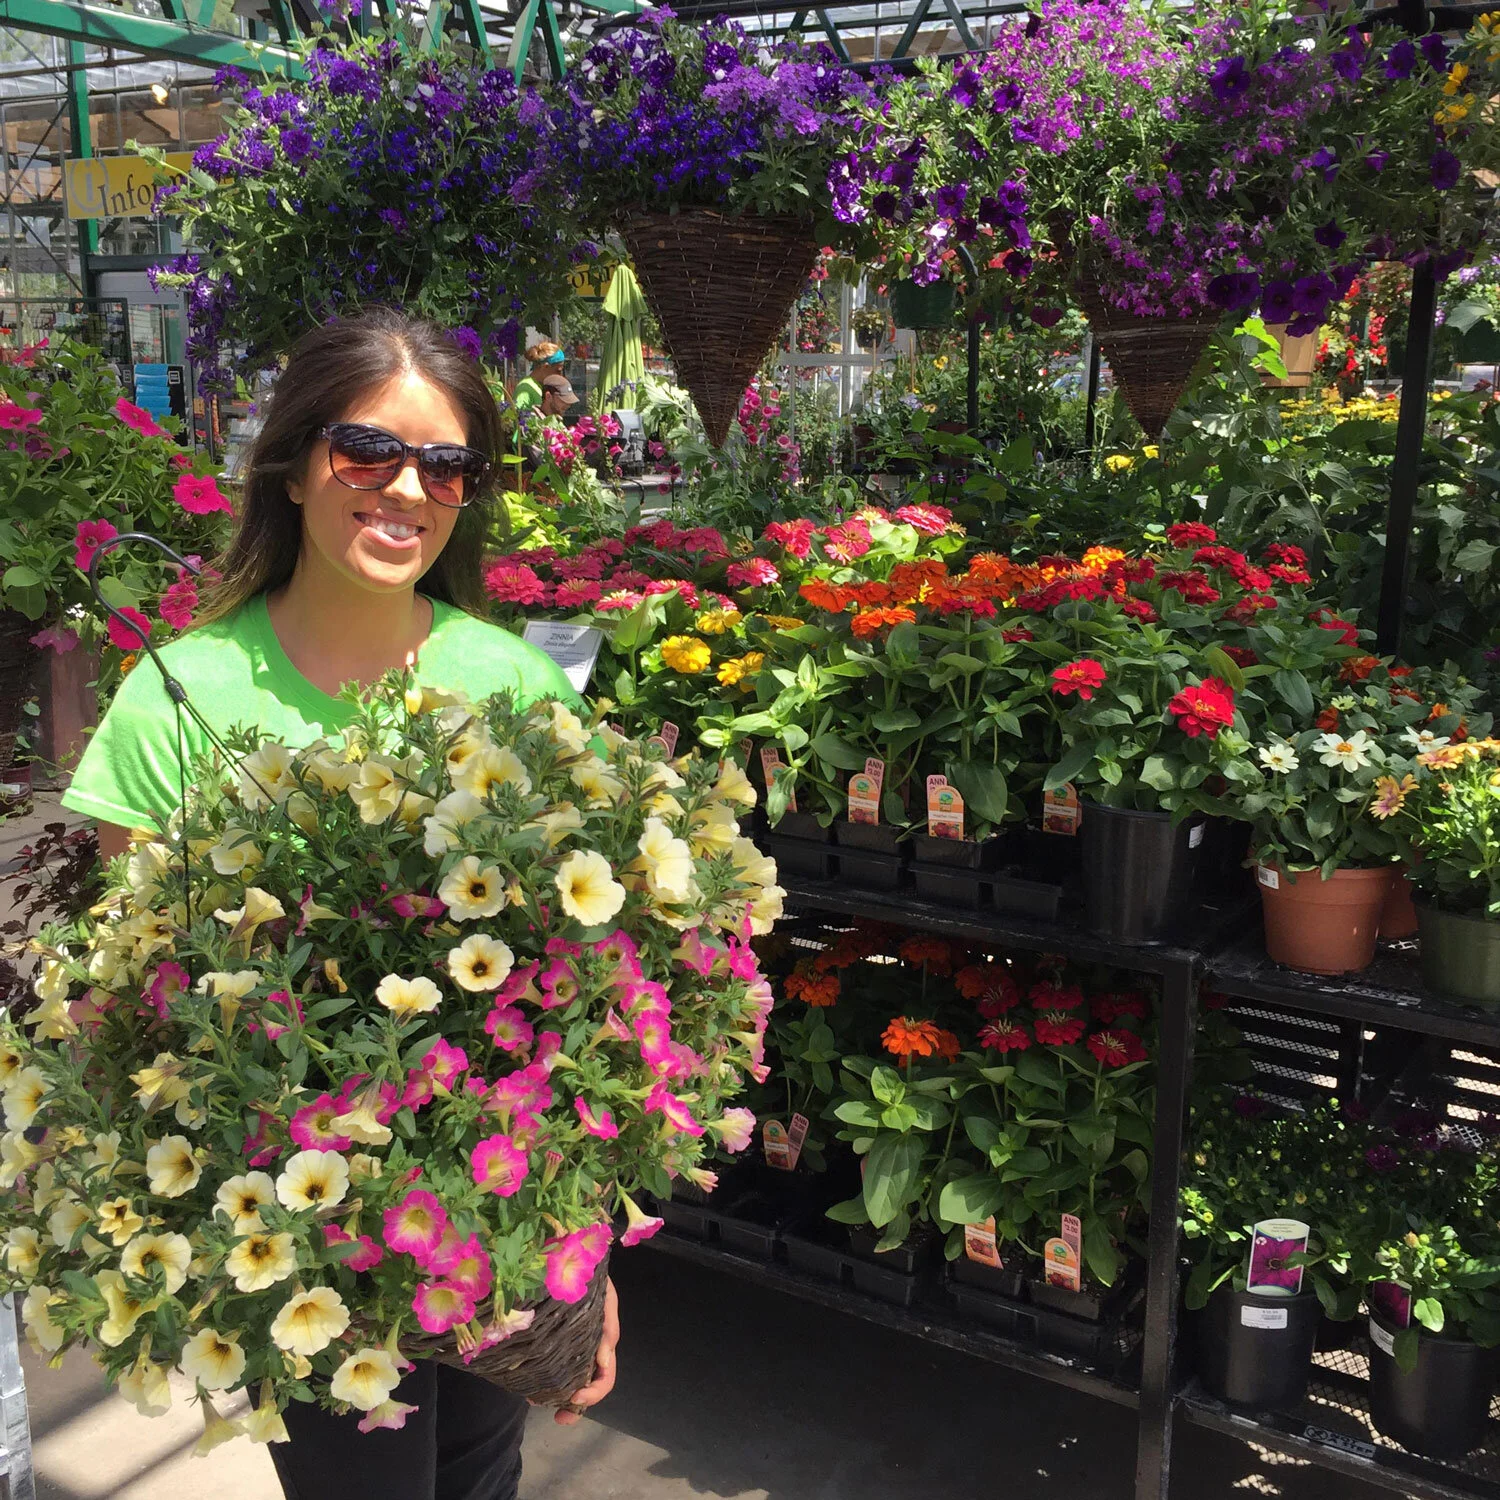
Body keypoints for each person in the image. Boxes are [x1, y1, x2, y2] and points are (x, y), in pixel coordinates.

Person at [61, 308, 620, 1500]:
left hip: (487, 1211)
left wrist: (586, 1246)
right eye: (369, 453)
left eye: (446, 464)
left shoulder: (515, 684)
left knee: (477, 1477)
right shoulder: (177, 697)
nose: (406, 489)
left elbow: (583, 999)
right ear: (296, 462)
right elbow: (133, 1002)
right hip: (297, 1226)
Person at [511, 338, 565, 416]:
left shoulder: (541, 387)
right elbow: (519, 420)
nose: (560, 376)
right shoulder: (525, 389)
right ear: (545, 367)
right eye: (558, 371)